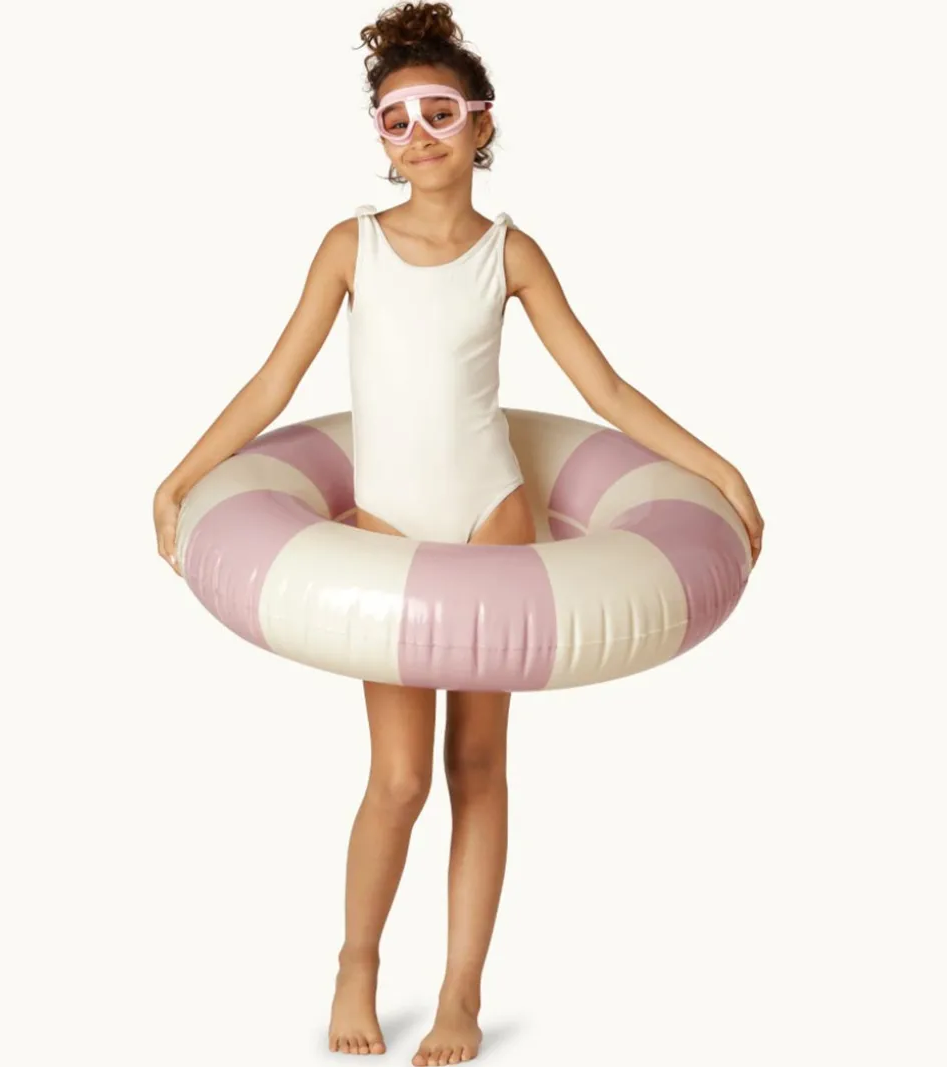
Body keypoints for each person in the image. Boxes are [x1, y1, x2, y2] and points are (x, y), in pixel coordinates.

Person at [152, 3, 764, 1063]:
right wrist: (180, 476)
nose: (419, 134)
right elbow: (273, 380)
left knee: (478, 766)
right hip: (389, 527)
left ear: (481, 122)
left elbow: (606, 388)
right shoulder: (350, 247)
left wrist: (723, 471)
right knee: (399, 778)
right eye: (396, 119)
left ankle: (461, 992)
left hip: (493, 515)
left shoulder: (509, 253)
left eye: (440, 113)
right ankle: (356, 962)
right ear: (379, 140)